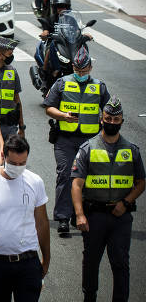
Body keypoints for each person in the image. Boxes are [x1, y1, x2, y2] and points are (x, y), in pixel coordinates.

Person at [71, 96, 145, 302]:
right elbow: (77, 184)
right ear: (101, 119)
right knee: (91, 261)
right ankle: (89, 297)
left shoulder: (131, 150)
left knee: (121, 263)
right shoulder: (88, 148)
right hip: (94, 216)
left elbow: (141, 182)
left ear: (122, 120)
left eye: (116, 119)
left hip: (121, 217)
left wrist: (126, 202)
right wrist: (79, 215)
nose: (112, 123)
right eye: (108, 119)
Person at [0, 135, 50, 302]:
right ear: (3, 156)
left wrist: (46, 258)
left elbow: (42, 222)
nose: (18, 167)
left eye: (22, 163)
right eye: (13, 163)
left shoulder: (35, 182)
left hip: (28, 262)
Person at [44, 45, 110, 235]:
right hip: (65, 139)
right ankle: (63, 218)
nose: (81, 73)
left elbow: (110, 110)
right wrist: (63, 115)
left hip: (91, 142)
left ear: (90, 68)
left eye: (84, 70)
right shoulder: (62, 83)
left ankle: (80, 214)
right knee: (65, 175)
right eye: (77, 70)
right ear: (73, 67)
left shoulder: (99, 86)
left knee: (87, 178)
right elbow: (49, 107)